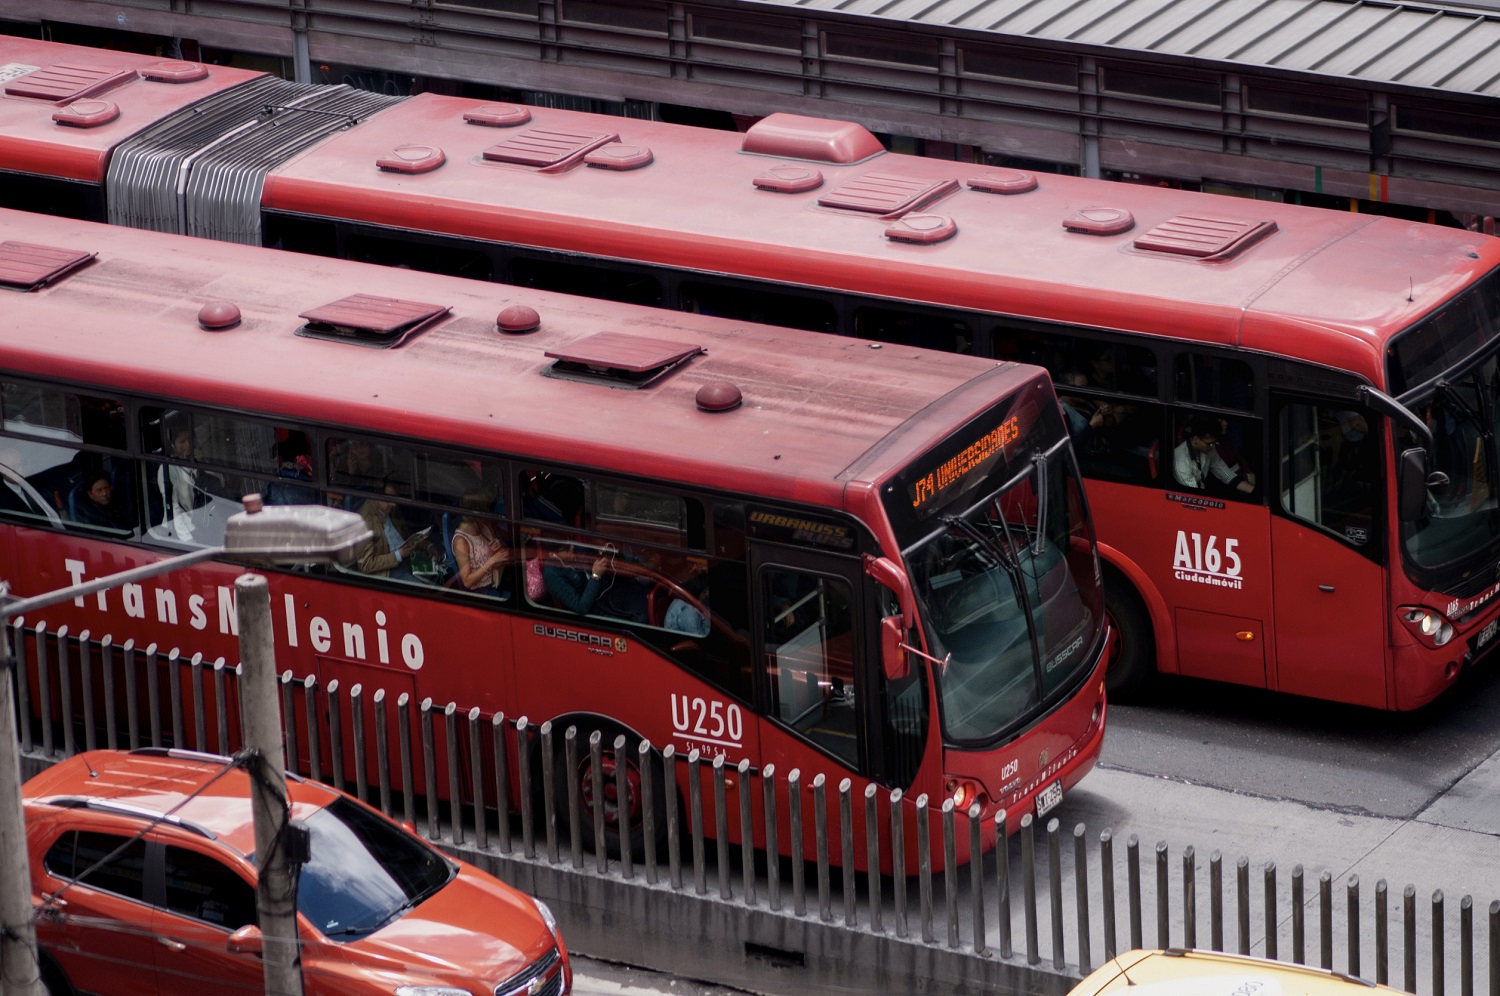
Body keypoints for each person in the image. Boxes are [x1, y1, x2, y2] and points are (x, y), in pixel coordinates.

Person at [356, 480, 434, 579]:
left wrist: (427, 546)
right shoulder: (365, 522)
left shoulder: (390, 510)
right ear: (377, 497)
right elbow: (365, 564)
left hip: (406, 556)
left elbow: (406, 535)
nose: (394, 504)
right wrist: (398, 555)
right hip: (386, 571)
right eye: (389, 499)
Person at [1174, 413, 1254, 494]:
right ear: (1195, 440)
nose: (1213, 447)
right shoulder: (1181, 463)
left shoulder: (1209, 449)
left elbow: (1228, 476)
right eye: (1210, 444)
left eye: (1215, 443)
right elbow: (1194, 495)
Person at [451, 492, 509, 595]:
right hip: (484, 590)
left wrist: (499, 544)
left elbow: (499, 549)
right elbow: (467, 582)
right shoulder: (461, 542)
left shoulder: (484, 525)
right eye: (485, 510)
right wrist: (492, 561)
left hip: (499, 574)